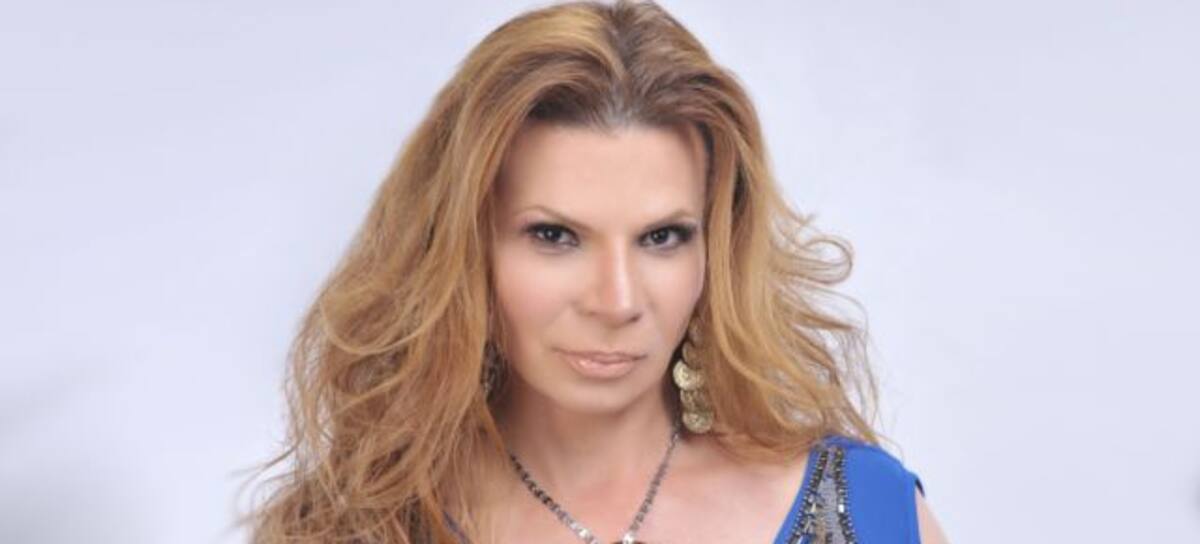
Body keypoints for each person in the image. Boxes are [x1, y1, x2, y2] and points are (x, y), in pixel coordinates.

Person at [241, 1, 950, 543]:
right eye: (555, 236)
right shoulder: (356, 528)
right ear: (461, 248)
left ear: (717, 250)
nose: (617, 300)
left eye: (662, 237)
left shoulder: (867, 510)